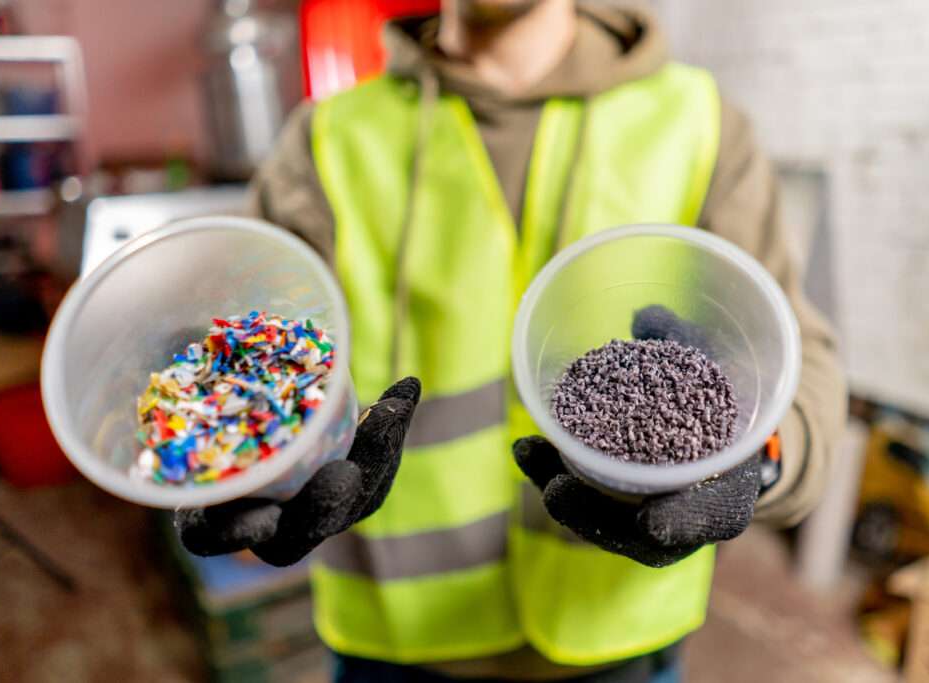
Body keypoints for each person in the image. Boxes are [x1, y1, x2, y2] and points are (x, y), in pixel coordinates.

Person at [176, 0, 847, 680]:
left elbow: (797, 356)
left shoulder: (699, 122)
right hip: (398, 645)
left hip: (618, 640)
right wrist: (240, 461)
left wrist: (758, 457)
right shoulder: (326, 142)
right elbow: (245, 362)